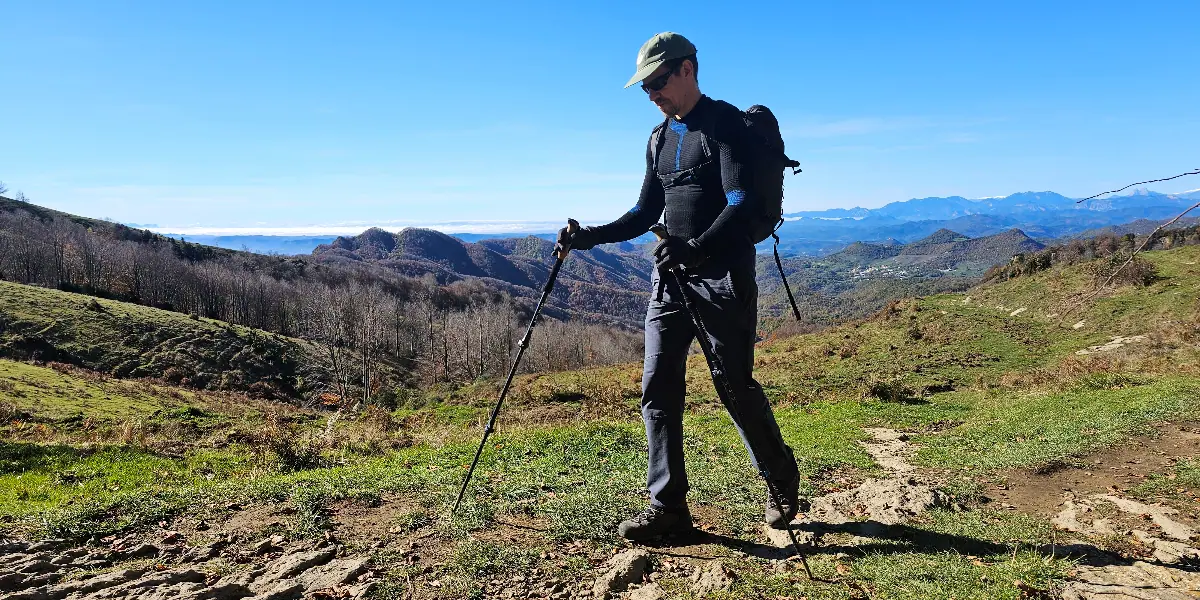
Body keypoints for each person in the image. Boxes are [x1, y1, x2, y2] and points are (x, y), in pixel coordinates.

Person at [555, 32, 802, 541]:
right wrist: (589, 238)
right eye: (646, 87)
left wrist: (697, 247)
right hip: (670, 281)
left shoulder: (724, 124)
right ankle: (669, 509)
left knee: (733, 388)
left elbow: (739, 201)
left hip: (724, 279)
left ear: (688, 69)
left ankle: (781, 479)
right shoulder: (659, 138)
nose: (652, 94)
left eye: (658, 82)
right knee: (658, 390)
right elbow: (646, 212)